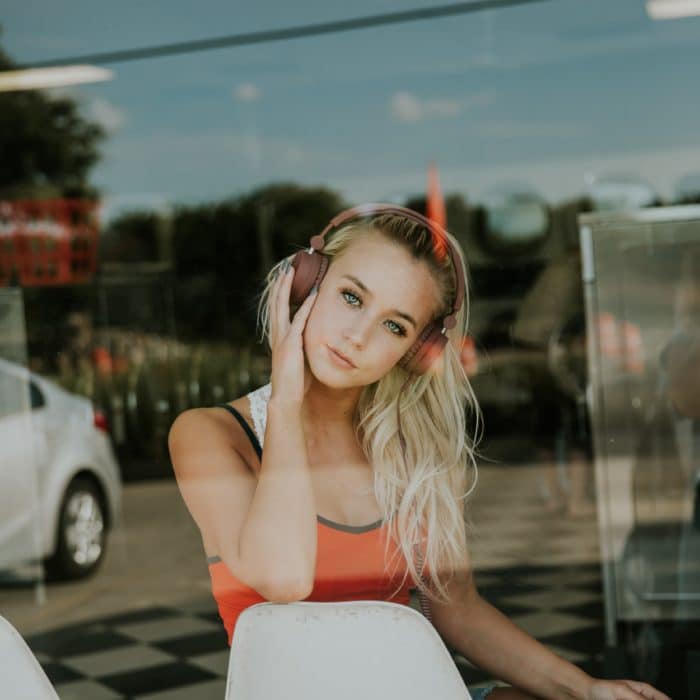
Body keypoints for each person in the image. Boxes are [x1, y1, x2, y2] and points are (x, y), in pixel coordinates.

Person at [169, 205, 669, 700]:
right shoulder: (210, 434)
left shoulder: (415, 452)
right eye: (350, 296)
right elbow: (284, 577)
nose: (357, 336)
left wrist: (587, 688)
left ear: (415, 352)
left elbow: (459, 610)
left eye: (395, 326)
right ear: (304, 284)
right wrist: (286, 400)